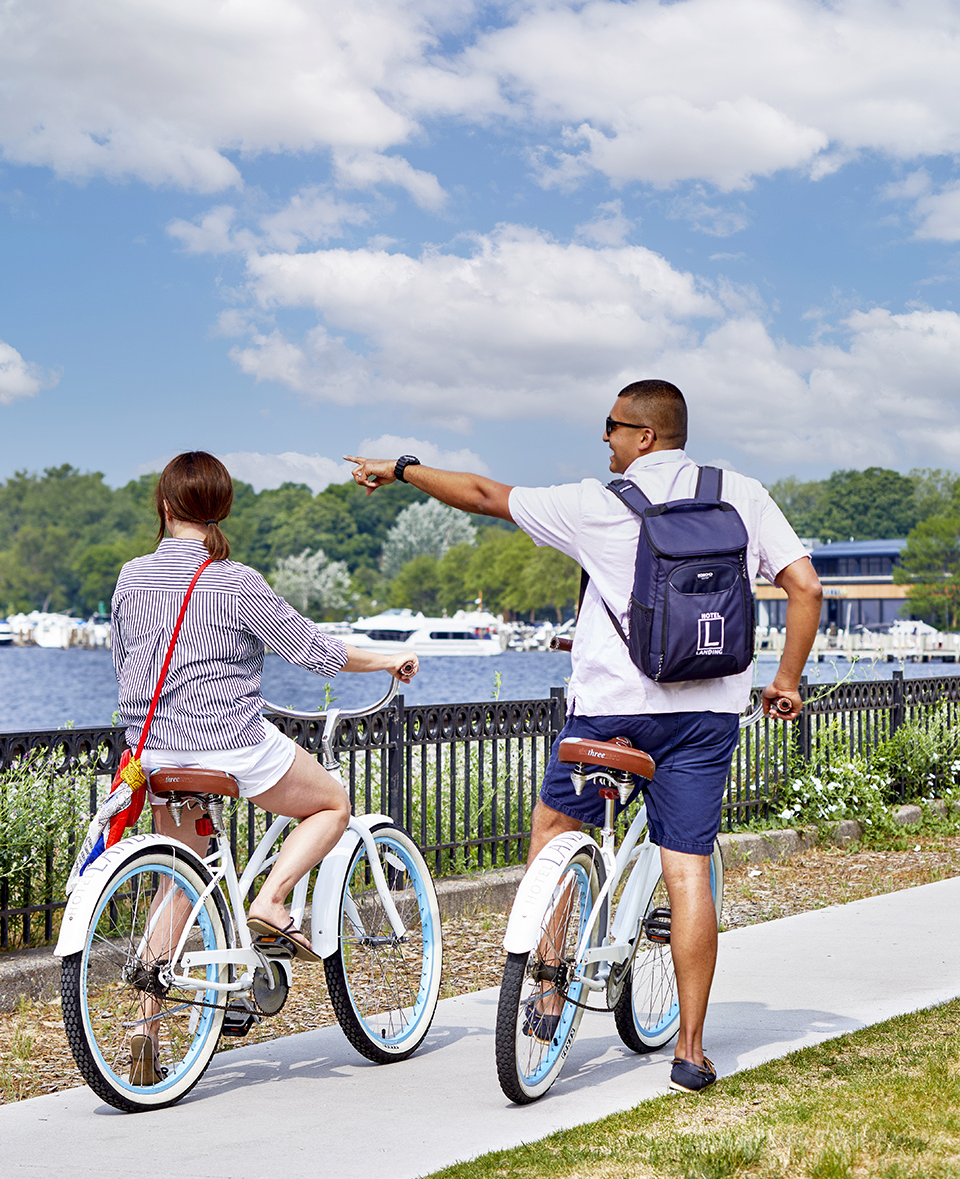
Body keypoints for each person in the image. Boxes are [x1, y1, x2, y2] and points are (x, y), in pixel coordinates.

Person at [346, 380, 822, 1094]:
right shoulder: (742, 494)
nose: (605, 440)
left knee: (554, 827)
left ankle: (543, 988)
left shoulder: (596, 505)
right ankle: (690, 1050)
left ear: (646, 436)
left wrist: (403, 468)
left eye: (612, 428)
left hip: (609, 712)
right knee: (688, 869)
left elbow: (480, 493)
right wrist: (786, 680)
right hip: (704, 718)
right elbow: (806, 587)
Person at [111, 451, 418, 1084]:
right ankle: (272, 899)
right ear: (221, 508)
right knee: (331, 802)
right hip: (229, 742)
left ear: (165, 505)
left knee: (177, 882)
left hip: (154, 751)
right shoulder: (235, 579)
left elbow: (125, 658)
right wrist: (387, 659)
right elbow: (309, 649)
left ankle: (142, 1034)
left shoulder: (131, 577)